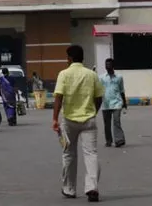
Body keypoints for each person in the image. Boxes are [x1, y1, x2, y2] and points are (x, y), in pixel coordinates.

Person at [52, 45, 104, 203]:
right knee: (91, 154)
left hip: (69, 121)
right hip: (89, 119)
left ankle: (69, 188)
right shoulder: (91, 74)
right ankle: (92, 188)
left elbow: (58, 98)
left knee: (69, 154)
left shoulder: (64, 74)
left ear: (69, 58)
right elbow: (99, 97)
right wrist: (93, 112)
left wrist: (55, 119)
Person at [99, 58, 127, 148]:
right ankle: (108, 141)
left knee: (116, 121)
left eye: (109, 64)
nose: (108, 66)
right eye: (106, 64)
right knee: (107, 124)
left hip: (117, 103)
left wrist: (124, 102)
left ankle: (119, 140)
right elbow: (99, 91)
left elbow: (122, 90)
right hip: (106, 103)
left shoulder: (119, 77)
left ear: (113, 66)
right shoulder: (101, 78)